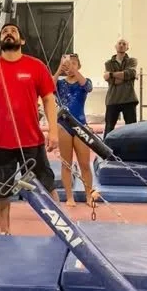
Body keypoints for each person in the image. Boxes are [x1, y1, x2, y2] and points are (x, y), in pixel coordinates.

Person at [0, 23, 59, 235]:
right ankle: (5, 232)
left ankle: (60, 231)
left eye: (13, 31)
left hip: (32, 140)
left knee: (46, 187)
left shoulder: (36, 66)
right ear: (0, 41)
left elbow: (49, 100)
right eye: (4, 32)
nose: (8, 33)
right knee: (0, 192)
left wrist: (53, 131)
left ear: (22, 40)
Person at [54, 53, 98, 207]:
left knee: (84, 164)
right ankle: (69, 197)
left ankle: (89, 196)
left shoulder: (84, 82)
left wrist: (74, 70)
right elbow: (48, 87)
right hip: (63, 124)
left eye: (74, 63)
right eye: (68, 63)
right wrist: (59, 69)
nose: (70, 66)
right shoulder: (60, 84)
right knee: (66, 163)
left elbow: (88, 87)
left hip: (80, 124)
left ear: (79, 66)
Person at [103, 38, 138, 137]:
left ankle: (133, 146)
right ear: (115, 46)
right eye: (119, 43)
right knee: (109, 128)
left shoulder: (132, 61)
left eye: (124, 44)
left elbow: (130, 73)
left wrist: (111, 74)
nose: (121, 45)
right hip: (113, 99)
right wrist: (125, 77)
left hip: (129, 99)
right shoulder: (108, 63)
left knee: (132, 129)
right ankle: (105, 146)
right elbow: (112, 81)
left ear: (127, 48)